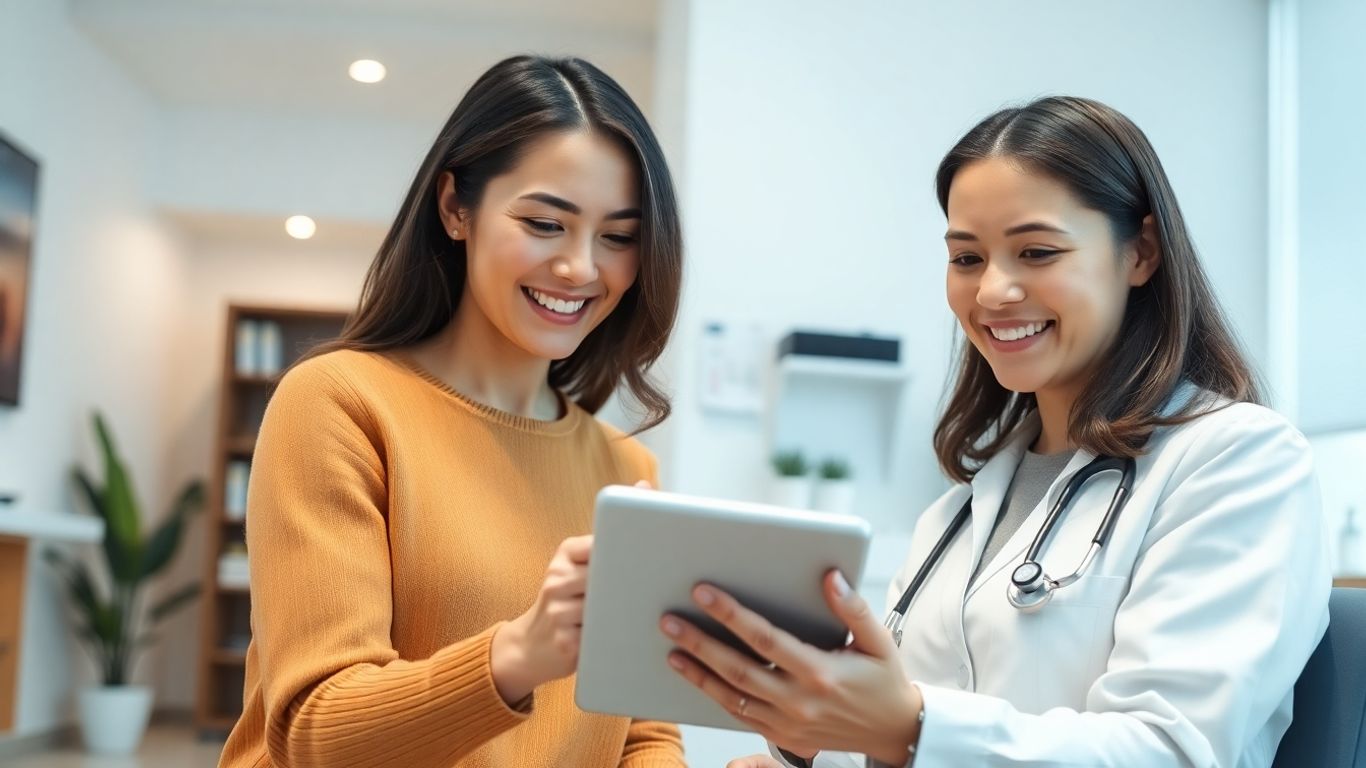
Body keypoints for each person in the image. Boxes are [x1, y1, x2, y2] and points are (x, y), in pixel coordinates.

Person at [658, 96, 1329, 767]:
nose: (993, 292)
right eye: (967, 258)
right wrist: (802, 753)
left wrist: (909, 728)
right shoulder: (956, 515)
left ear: (1142, 252)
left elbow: (1171, 750)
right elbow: (906, 729)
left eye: (1036, 252)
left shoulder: (1238, 462)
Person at [218, 55, 686, 768]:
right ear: (454, 207)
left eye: (618, 237)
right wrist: (518, 657)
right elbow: (316, 731)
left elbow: (644, 737)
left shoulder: (627, 469)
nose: (581, 268)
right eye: (544, 222)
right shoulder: (339, 405)